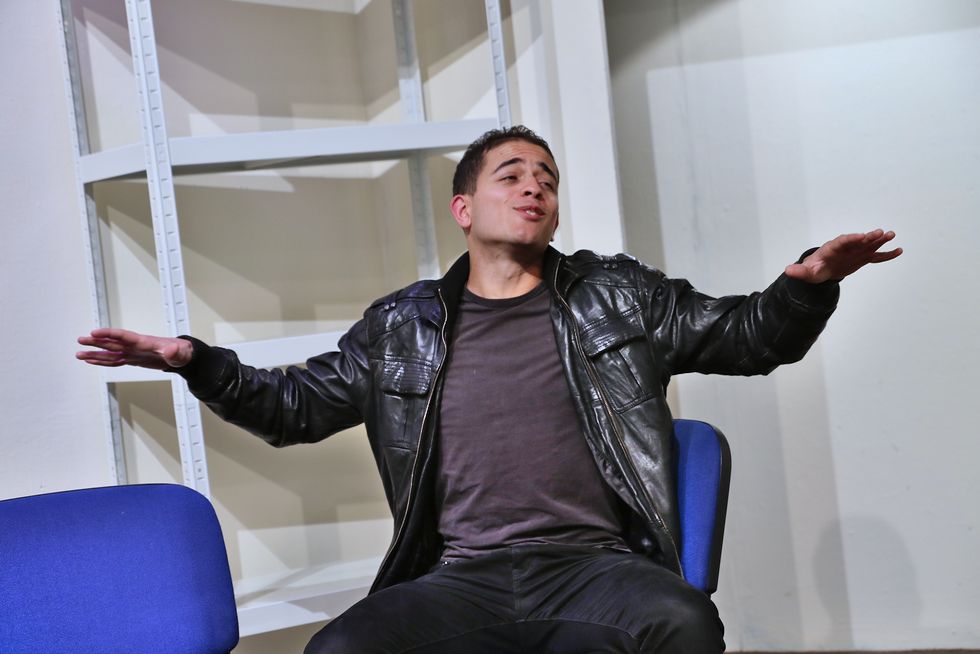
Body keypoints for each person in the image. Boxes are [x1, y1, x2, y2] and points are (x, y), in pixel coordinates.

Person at [77, 126, 901, 653]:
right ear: (464, 208)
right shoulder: (401, 326)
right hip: (458, 576)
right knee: (337, 652)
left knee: (683, 625)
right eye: (512, 175)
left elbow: (747, 338)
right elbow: (292, 409)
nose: (534, 186)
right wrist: (193, 359)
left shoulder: (619, 298)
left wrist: (806, 285)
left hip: (596, 568)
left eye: (547, 178)